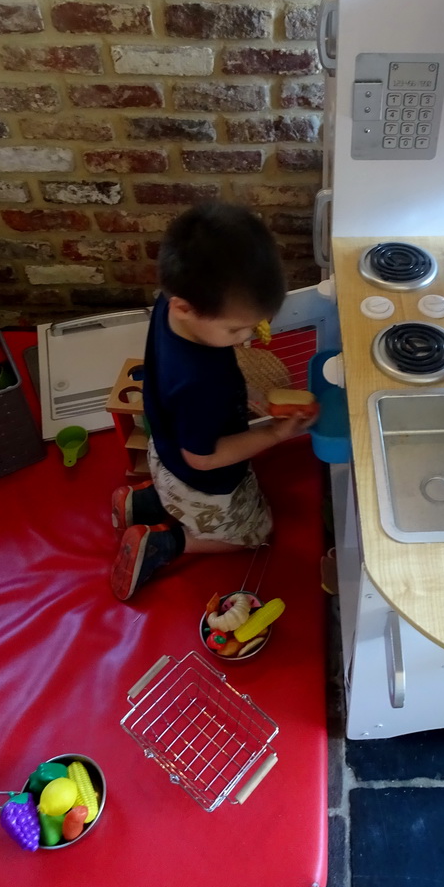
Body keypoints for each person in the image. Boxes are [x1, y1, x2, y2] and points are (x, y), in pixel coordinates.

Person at [109, 201, 315, 601]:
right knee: (257, 534)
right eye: (237, 329)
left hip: (163, 447)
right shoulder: (201, 382)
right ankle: (167, 543)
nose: (247, 337)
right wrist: (276, 434)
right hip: (206, 481)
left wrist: (248, 393)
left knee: (175, 478)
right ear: (186, 307)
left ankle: (148, 499)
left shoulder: (172, 305)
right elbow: (204, 458)